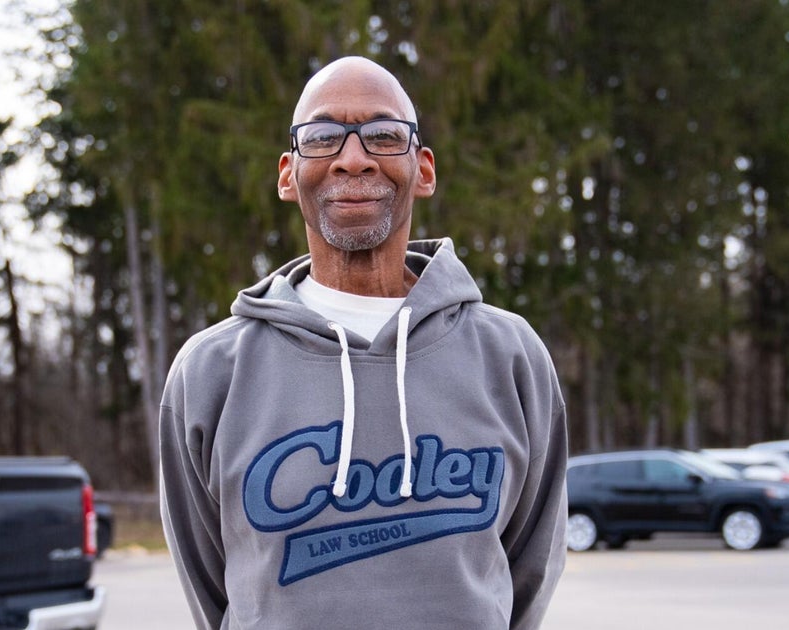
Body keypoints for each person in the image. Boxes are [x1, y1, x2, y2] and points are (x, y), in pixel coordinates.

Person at [159, 56, 568, 630]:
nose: (353, 158)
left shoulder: (510, 356)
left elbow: (529, 571)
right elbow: (214, 587)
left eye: (383, 135)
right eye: (322, 137)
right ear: (288, 175)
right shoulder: (210, 372)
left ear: (423, 170)